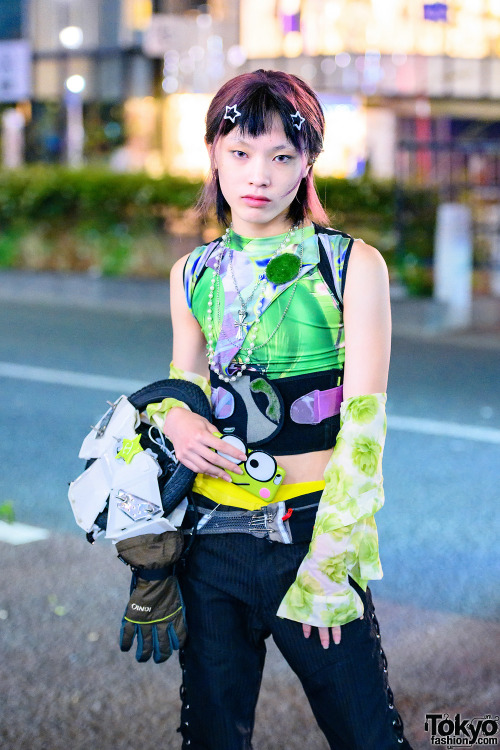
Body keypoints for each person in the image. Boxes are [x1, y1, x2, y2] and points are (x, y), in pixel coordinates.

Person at [152, 69, 412, 749]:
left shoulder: (350, 265)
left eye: (281, 156)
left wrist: (332, 560)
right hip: (211, 540)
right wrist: (174, 416)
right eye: (240, 153)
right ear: (212, 152)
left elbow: (364, 426)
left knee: (366, 734)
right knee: (211, 735)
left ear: (307, 163)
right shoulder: (194, 272)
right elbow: (184, 381)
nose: (258, 175)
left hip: (310, 535)